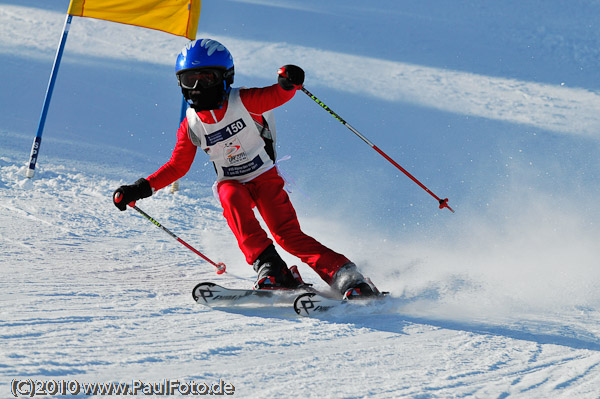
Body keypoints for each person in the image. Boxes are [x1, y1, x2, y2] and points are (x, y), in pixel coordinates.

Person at [113, 38, 377, 298]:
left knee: (287, 235)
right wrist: (140, 188)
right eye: (188, 80)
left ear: (225, 77)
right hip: (232, 181)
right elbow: (177, 166)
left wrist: (288, 83)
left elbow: (276, 96)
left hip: (264, 177)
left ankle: (345, 274)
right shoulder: (192, 124)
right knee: (229, 195)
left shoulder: (244, 101)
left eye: (206, 79)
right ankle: (272, 269)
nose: (196, 87)